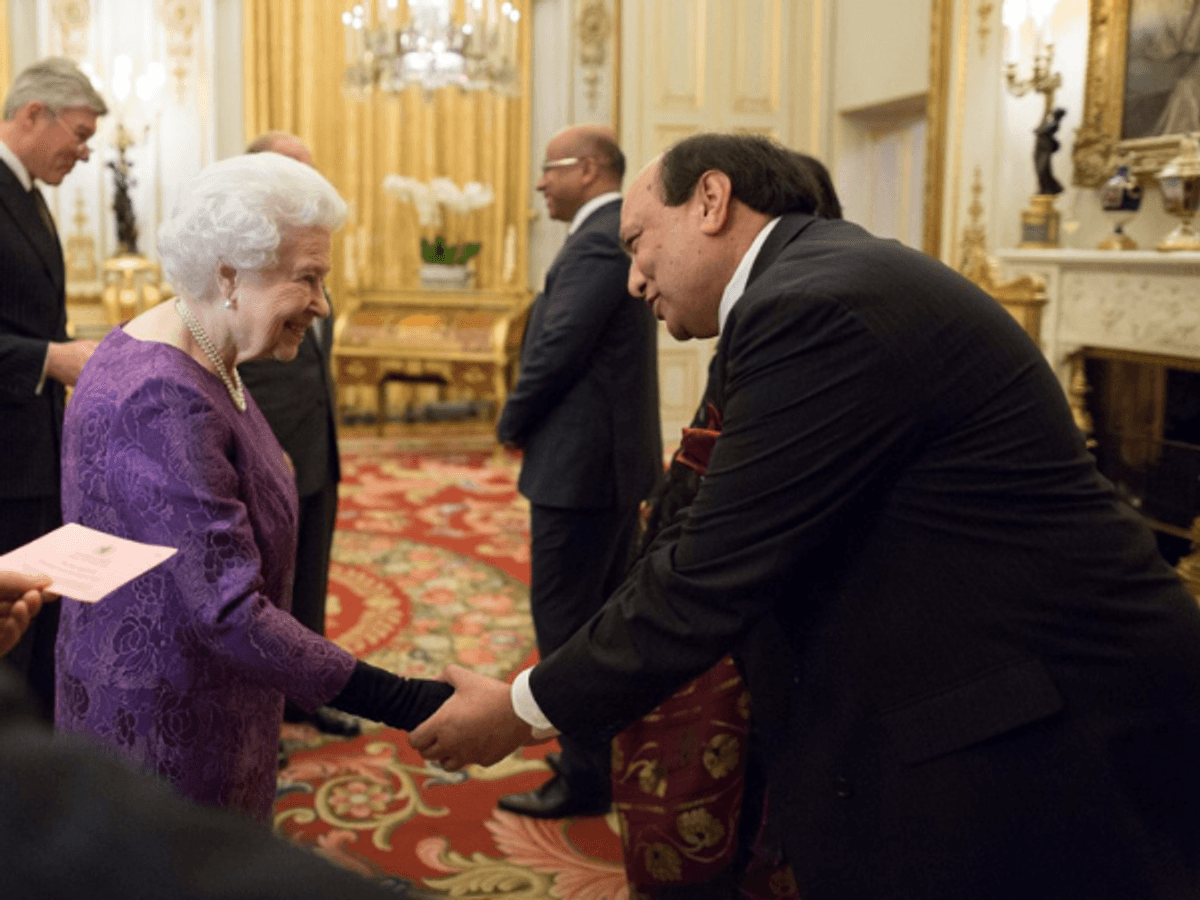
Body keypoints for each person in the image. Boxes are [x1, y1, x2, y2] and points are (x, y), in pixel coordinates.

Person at [412, 133, 1200, 899]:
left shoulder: (815, 305)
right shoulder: (799, 288)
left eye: (638, 242)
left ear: (712, 200)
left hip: (1044, 709)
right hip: (969, 678)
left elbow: (710, 573)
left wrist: (523, 709)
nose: (633, 279)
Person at [55, 153, 452, 821]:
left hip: (204, 697)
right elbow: (228, 610)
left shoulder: (196, 353)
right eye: (308, 279)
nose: (323, 306)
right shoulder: (164, 395)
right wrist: (406, 701)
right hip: (166, 728)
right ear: (229, 276)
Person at [492, 125, 662, 821]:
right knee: (600, 616)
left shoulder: (596, 239)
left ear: (587, 170)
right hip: (605, 466)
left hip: (582, 469)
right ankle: (604, 757)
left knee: (567, 624)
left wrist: (511, 420)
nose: (540, 183)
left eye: (549, 169)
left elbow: (558, 345)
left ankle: (584, 774)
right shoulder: (605, 236)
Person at [238, 131, 358, 739]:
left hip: (316, 447)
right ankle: (258, 720)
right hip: (263, 451)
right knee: (259, 595)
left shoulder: (308, 253)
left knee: (308, 579)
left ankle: (304, 699)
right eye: (295, 177)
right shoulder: (235, 265)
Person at [0, 57, 106, 718]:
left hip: (35, 454)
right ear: (33, 114)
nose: (86, 153)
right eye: (81, 132)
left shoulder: (30, 196)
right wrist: (49, 360)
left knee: (40, 618)